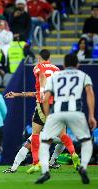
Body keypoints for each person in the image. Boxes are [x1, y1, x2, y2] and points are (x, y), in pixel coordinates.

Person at [35, 54, 97, 184]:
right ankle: (83, 167)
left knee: (45, 142)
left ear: (63, 65)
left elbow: (46, 98)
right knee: (86, 141)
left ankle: (45, 171)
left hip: (57, 112)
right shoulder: (83, 76)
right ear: (77, 64)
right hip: (75, 112)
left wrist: (47, 116)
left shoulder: (55, 77)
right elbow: (90, 93)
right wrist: (91, 115)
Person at [20, 49, 79, 174]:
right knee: (63, 134)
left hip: (44, 102)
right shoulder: (57, 69)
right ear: (49, 57)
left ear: (39, 58)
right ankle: (74, 155)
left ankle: (36, 163)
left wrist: (43, 91)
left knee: (35, 133)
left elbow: (41, 76)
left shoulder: (38, 66)